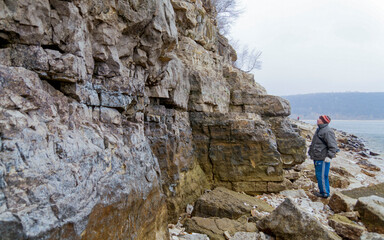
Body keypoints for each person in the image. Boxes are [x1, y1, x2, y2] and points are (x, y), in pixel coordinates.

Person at [308, 115, 339, 198]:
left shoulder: (327, 131)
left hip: (323, 158)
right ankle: (323, 191)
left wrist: (329, 156)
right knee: (319, 175)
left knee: (322, 176)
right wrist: (310, 153)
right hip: (317, 157)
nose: (318, 120)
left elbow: (333, 146)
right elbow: (315, 143)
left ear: (324, 121)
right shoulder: (319, 129)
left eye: (320, 119)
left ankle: (325, 193)